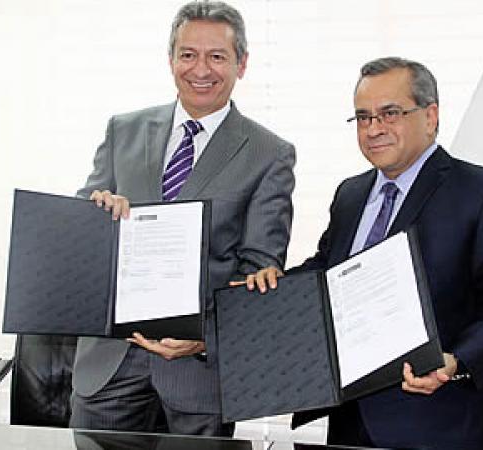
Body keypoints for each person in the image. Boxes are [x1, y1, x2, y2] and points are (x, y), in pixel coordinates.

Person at [241, 57, 483, 449]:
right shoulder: (350, 194)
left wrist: (457, 360)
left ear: (430, 116)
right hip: (349, 419)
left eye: (390, 113)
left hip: (435, 421)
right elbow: (327, 272)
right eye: (363, 117)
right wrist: (273, 287)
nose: (374, 129)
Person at [70, 1, 295, 437]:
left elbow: (259, 269)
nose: (201, 69)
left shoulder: (270, 154)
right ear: (170, 59)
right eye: (188, 54)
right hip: (110, 365)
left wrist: (205, 337)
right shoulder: (122, 130)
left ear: (242, 64)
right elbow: (83, 233)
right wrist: (97, 211)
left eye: (217, 56)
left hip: (197, 373)